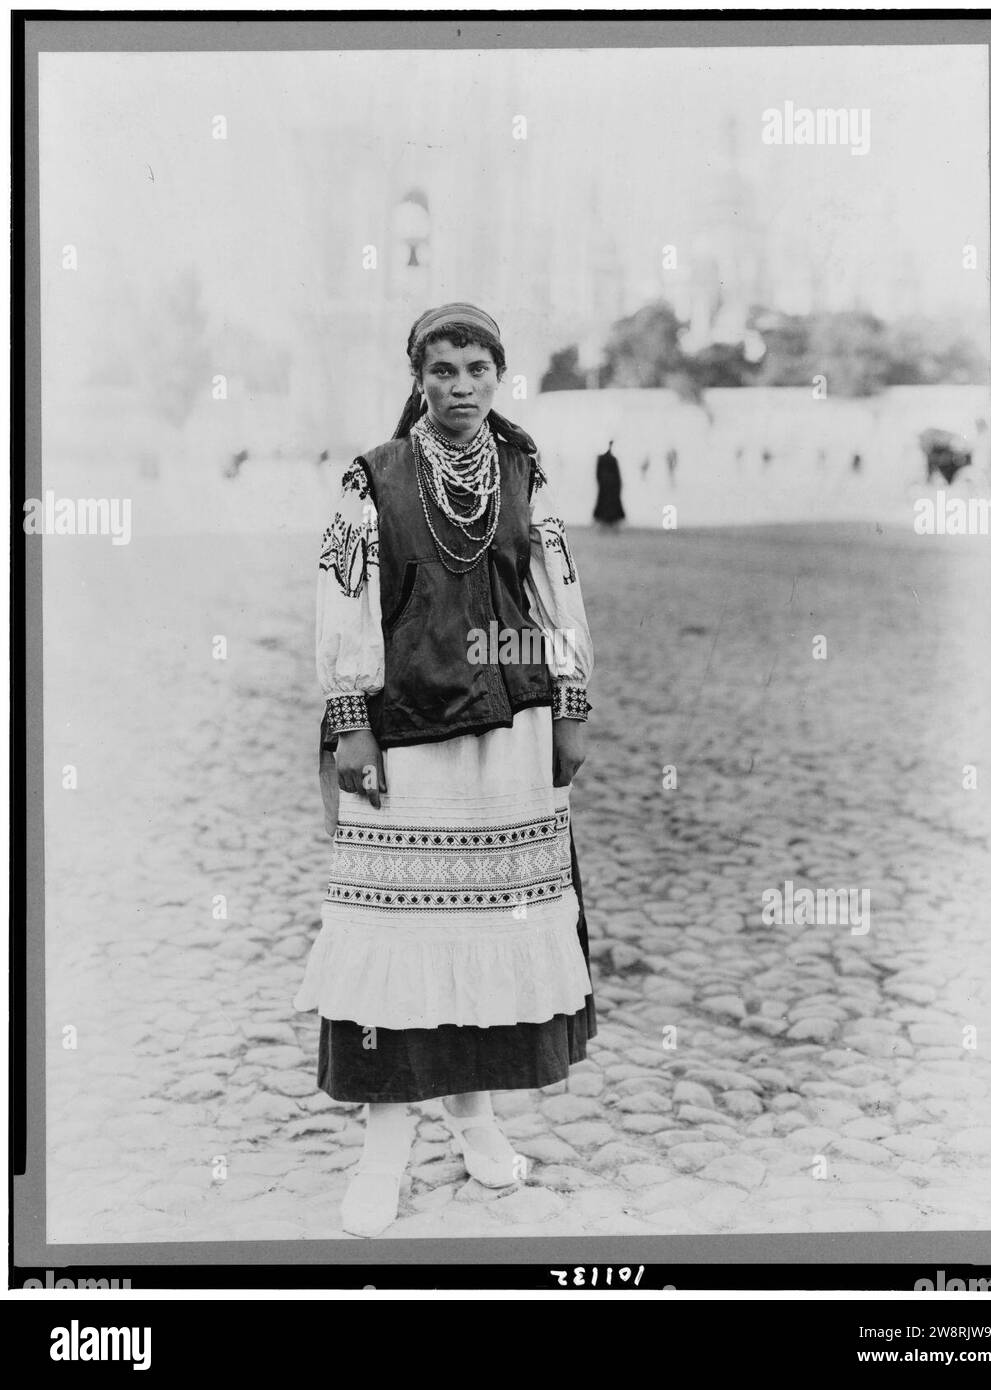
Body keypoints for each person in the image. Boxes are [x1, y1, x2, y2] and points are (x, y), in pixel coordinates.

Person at [295, 302, 597, 1237]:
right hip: (407, 732)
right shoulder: (372, 477)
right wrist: (351, 726)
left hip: (510, 729)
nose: (461, 387)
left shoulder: (523, 469)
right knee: (399, 942)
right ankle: (384, 1158)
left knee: (488, 932)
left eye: (477, 369)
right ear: (417, 375)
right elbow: (340, 603)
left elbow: (555, 587)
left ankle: (474, 1122)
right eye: (442, 369)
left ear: (497, 374)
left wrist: (573, 701)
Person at [592, 440, 625, 526]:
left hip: (607, 484)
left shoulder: (605, 458)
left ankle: (606, 518)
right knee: (608, 501)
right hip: (609, 484)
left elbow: (598, 472)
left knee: (606, 501)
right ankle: (609, 519)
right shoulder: (610, 459)